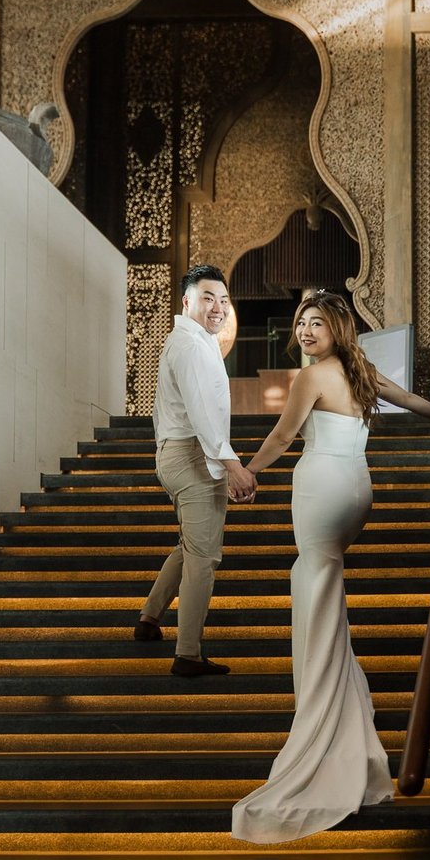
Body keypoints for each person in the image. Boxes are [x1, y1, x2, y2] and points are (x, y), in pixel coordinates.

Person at [231, 289, 430, 843]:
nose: (305, 331)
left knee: (316, 591)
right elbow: (406, 398)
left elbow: (284, 435)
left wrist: (248, 471)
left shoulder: (312, 377)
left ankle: (322, 726)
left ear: (337, 328)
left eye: (316, 323)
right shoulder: (360, 372)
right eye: (301, 323)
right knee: (323, 589)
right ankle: (338, 713)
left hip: (323, 487)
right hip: (356, 486)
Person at [134, 265, 256, 678]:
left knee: (190, 545)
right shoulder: (190, 346)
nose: (218, 307)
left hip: (179, 454)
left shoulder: (195, 341)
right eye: (207, 298)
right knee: (203, 557)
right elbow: (203, 414)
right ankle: (188, 654)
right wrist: (232, 466)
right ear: (187, 301)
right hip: (192, 455)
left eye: (223, 299)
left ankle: (149, 618)